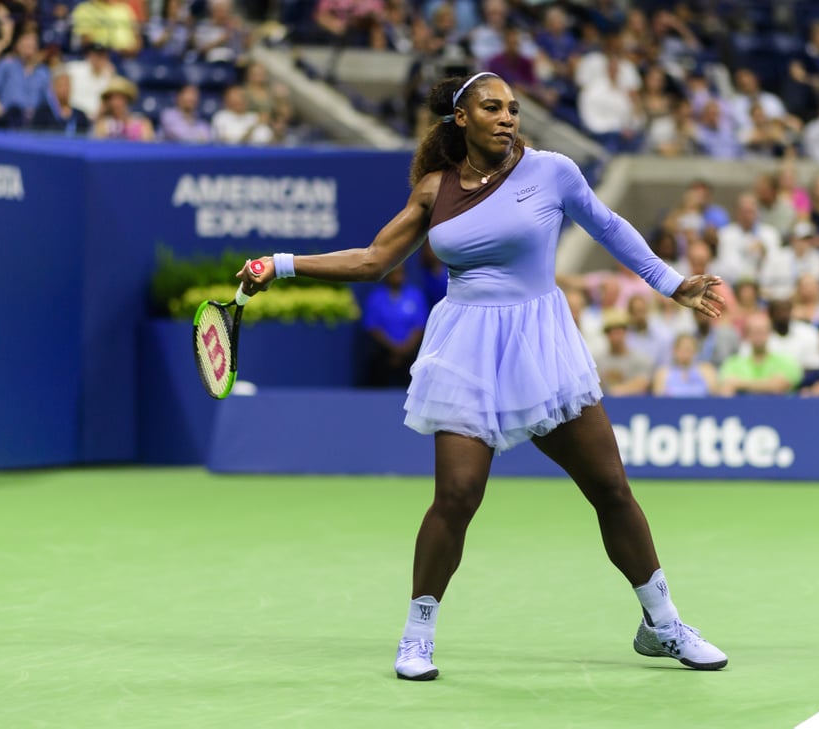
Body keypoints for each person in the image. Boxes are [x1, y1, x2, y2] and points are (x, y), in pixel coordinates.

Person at [236, 72, 728, 680]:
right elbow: (372, 260)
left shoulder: (551, 171)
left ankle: (663, 625)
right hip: (467, 347)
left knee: (609, 488)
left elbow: (607, 226)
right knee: (457, 496)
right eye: (492, 107)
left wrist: (670, 283)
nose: (507, 117)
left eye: (514, 109)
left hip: (541, 344)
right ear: (461, 118)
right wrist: (280, 264)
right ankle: (417, 635)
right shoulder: (433, 189)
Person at [652, 332, 718, 397]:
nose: (685, 353)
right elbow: (659, 401)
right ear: (674, 351)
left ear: (695, 351)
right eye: (681, 349)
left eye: (688, 349)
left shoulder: (706, 370)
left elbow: (715, 396)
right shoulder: (663, 372)